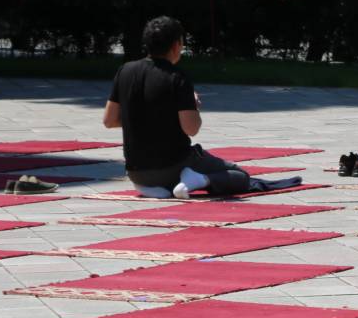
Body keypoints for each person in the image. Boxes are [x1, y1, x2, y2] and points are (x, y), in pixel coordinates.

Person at [102, 16, 252, 199]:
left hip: (137, 171)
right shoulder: (177, 77)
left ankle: (151, 188)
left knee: (153, 171)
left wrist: (145, 115)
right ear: (176, 45)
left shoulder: (125, 71)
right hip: (175, 165)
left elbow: (109, 121)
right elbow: (191, 128)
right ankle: (198, 180)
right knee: (241, 177)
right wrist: (192, 104)